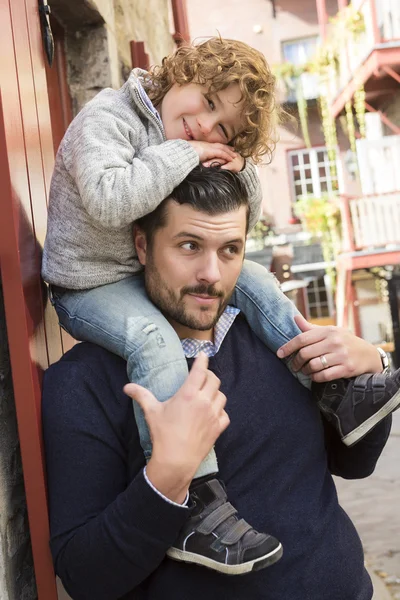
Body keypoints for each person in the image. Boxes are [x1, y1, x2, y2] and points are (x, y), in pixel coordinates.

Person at [41, 36, 399, 572]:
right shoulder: (85, 384)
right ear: (145, 243)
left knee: (257, 280)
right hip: (92, 282)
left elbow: (355, 461)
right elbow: (84, 575)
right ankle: (201, 509)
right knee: (151, 338)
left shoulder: (251, 330)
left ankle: (341, 391)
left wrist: (371, 362)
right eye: (189, 245)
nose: (207, 129)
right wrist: (168, 478)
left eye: (228, 248)